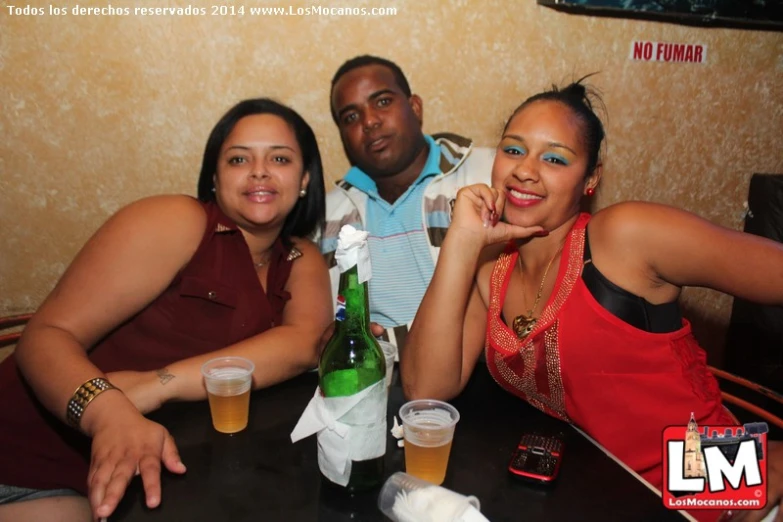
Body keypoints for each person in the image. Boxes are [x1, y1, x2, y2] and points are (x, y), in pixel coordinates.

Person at [401, 79, 783, 522]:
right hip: (606, 496)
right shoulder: (490, 263)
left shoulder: (625, 237)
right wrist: (460, 245)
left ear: (591, 178)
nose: (525, 170)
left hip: (717, 491)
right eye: (512, 150)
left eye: (555, 158)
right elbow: (425, 391)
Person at [0, 98, 332, 521]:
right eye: (238, 159)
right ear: (215, 178)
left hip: (146, 470)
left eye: (279, 158)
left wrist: (154, 386)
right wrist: (108, 410)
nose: (260, 170)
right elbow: (42, 338)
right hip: (27, 461)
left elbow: (302, 343)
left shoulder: (301, 257)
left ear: (304, 179)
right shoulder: (178, 220)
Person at [320, 55, 494, 349]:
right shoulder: (326, 216)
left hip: (474, 365)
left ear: (415, 107)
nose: (370, 121)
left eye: (383, 102)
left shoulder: (488, 174)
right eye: (351, 117)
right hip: (370, 376)